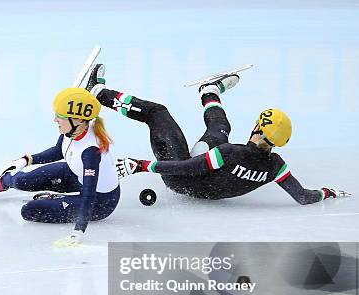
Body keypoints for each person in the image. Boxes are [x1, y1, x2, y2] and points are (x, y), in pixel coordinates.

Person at [88, 64, 350, 204]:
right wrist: (329, 193)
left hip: (181, 178)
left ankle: (99, 95)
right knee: (220, 129)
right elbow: (303, 197)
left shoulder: (230, 153)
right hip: (209, 181)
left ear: (258, 127)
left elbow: (189, 167)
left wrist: (141, 166)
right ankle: (209, 91)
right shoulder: (275, 166)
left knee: (158, 114)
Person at [0, 88, 120, 246]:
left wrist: (78, 231)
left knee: (30, 211)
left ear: (77, 119)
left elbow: (89, 196)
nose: (55, 120)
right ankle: (4, 182)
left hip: (100, 201)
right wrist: (26, 160)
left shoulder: (90, 153)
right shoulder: (76, 127)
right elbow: (58, 151)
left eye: (59, 117)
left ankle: (59, 200)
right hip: (75, 174)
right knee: (23, 181)